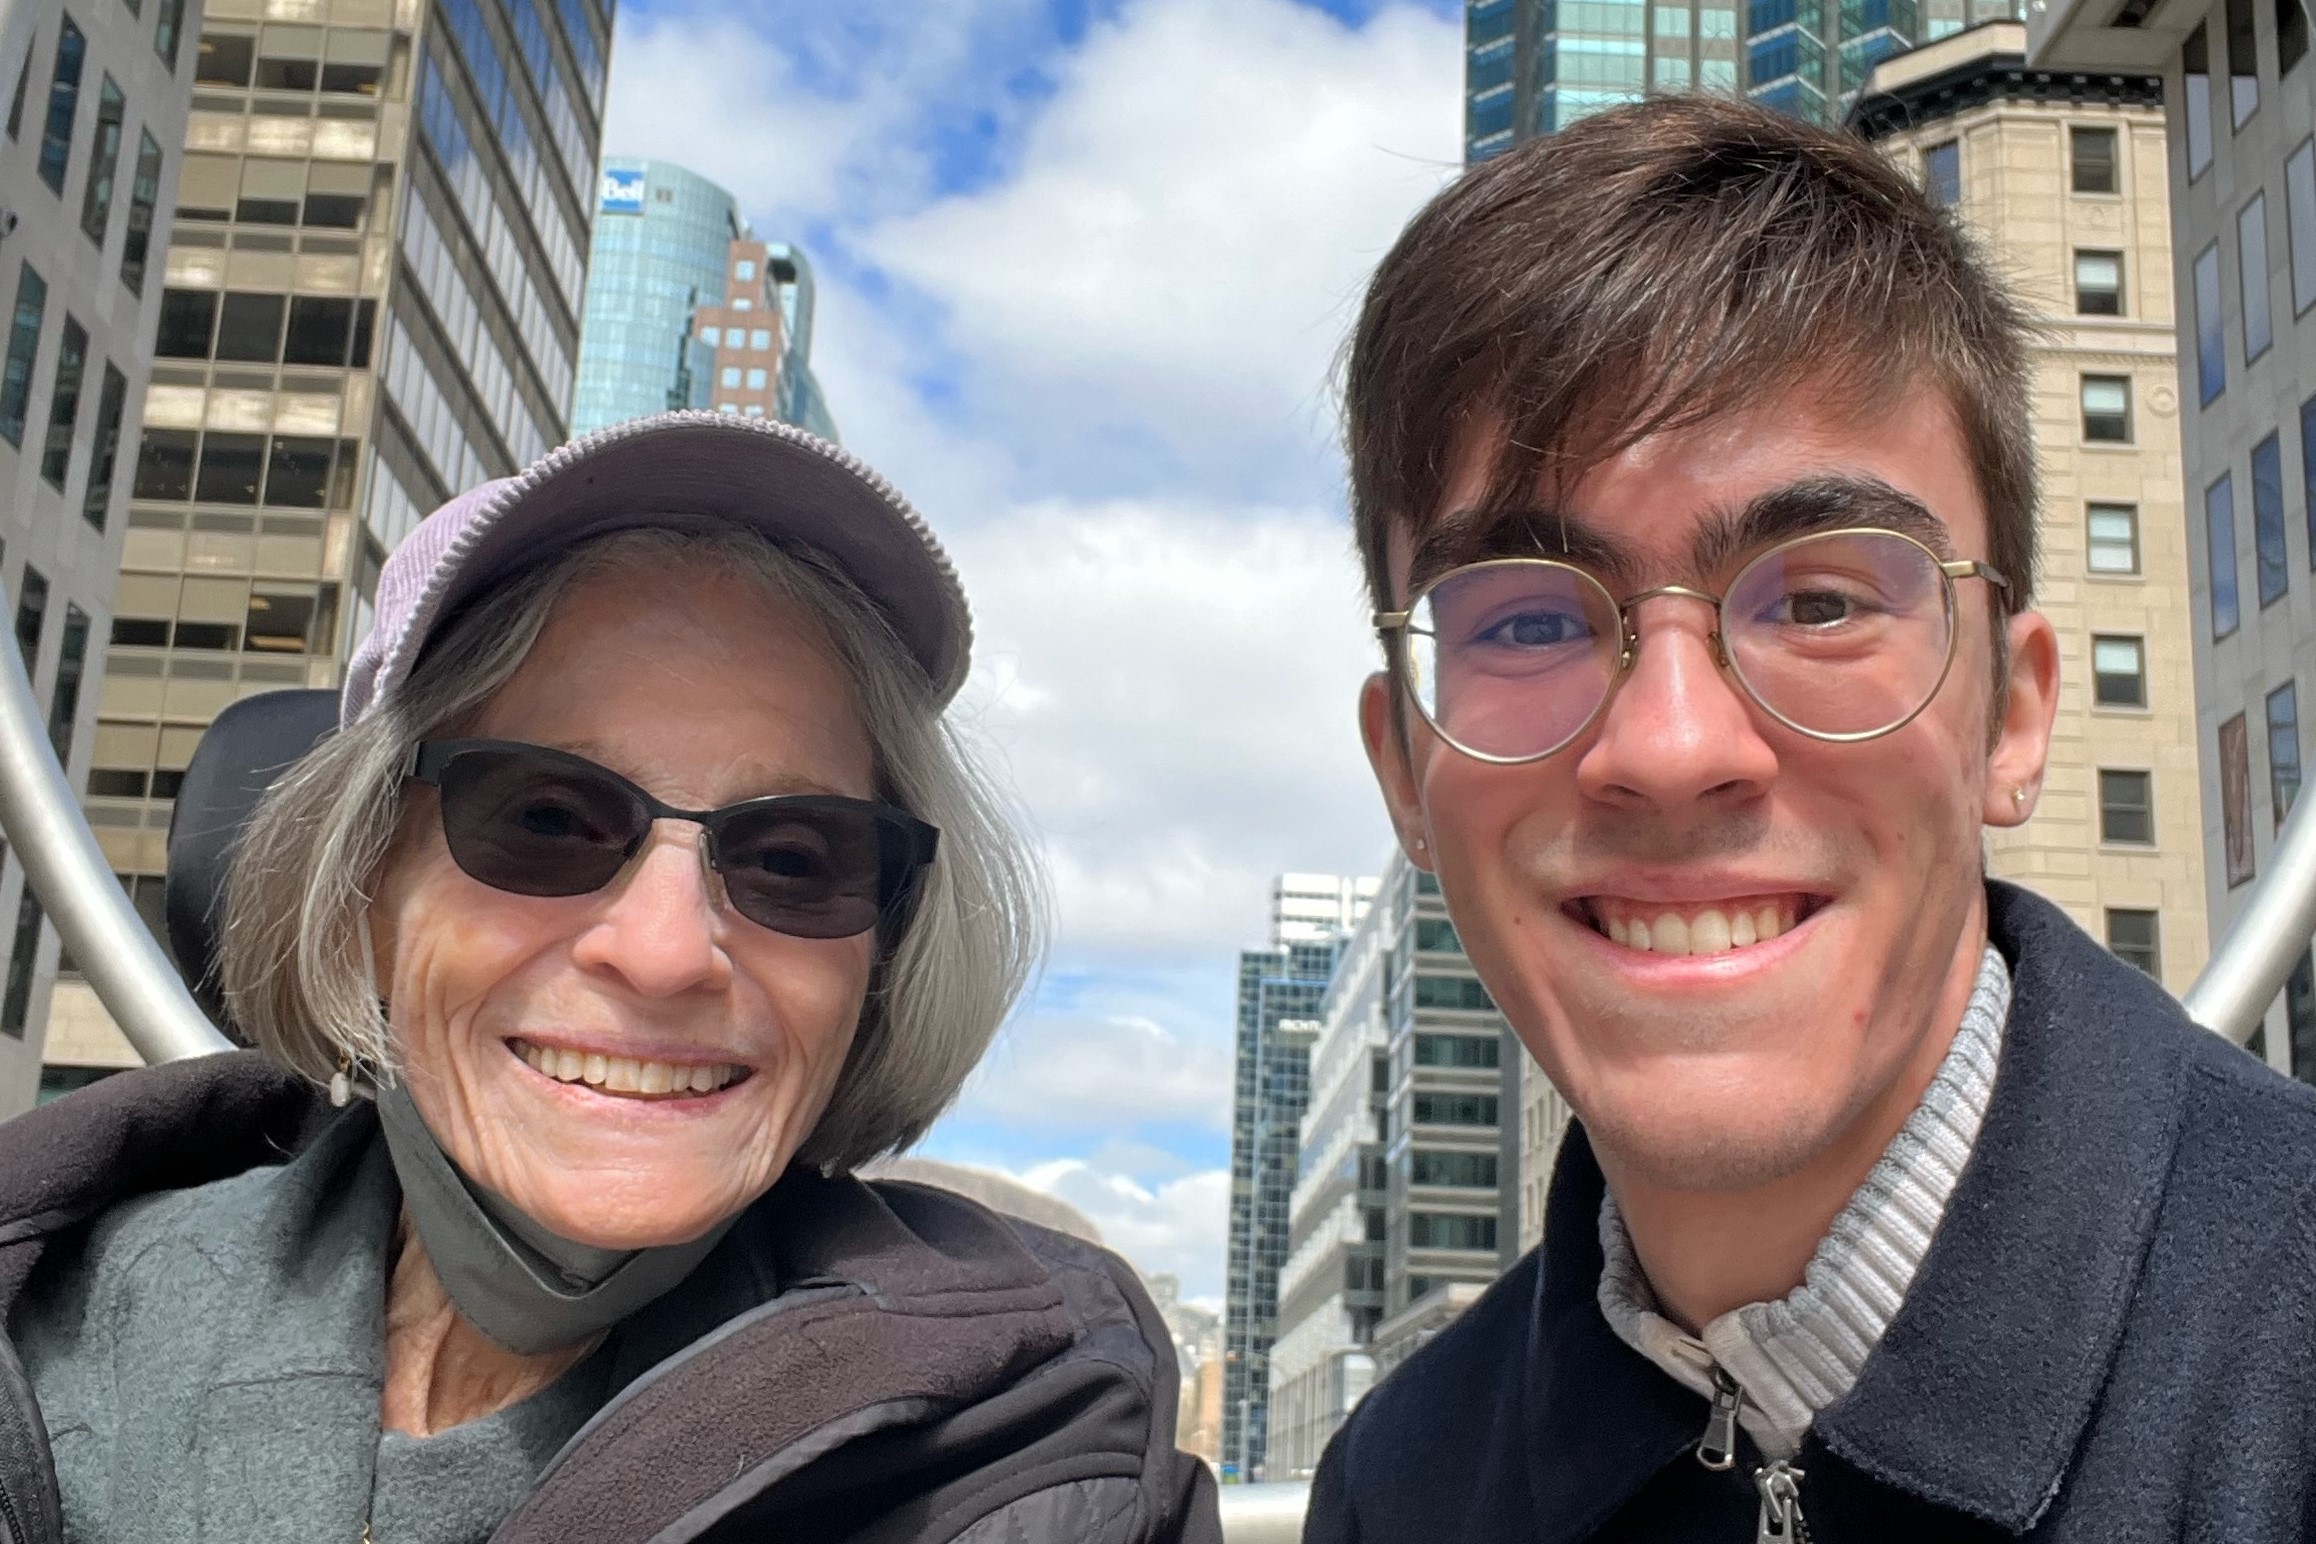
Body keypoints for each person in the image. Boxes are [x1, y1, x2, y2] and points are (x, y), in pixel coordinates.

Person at [1308, 95, 2316, 1542]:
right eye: (1529, 619)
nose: (1668, 748)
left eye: (1825, 600)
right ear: (1407, 770)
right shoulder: (1402, 1487)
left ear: (2012, 718)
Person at [0, 412, 1219, 1544]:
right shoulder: (44, 1326)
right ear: (361, 879)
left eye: (794, 855)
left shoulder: (1035, 1443)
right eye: (545, 818)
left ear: (879, 959)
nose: (666, 947)